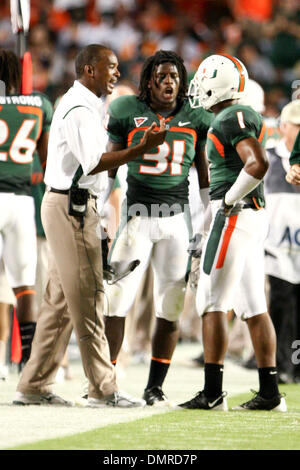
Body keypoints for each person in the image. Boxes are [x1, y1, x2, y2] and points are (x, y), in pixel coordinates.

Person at [14, 44, 166, 407]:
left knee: (60, 305)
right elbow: (96, 162)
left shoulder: (83, 103)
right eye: (109, 67)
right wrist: (139, 149)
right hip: (72, 207)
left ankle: (33, 384)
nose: (116, 72)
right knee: (91, 300)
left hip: (70, 205)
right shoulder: (81, 107)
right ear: (88, 71)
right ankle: (103, 387)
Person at [178, 53, 287, 412]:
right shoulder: (233, 116)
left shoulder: (229, 117)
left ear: (216, 83)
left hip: (237, 217)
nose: (197, 87)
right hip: (249, 218)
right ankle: (270, 393)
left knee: (212, 302)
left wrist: (227, 199)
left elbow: (258, 163)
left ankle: (212, 393)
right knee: (254, 307)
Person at [103, 50, 213, 406]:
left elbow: (203, 173)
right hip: (137, 216)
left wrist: (209, 215)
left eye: (175, 77)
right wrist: (103, 206)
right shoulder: (125, 111)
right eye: (162, 76)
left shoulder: (195, 117)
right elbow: (109, 165)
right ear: (149, 79)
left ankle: (155, 386)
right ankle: (107, 380)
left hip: (176, 220)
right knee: (117, 302)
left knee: (171, 306)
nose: (169, 83)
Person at [0, 49, 53, 371]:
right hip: (22, 200)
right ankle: (29, 363)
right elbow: (44, 158)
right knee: (25, 285)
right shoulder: (39, 104)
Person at [265, 100, 300, 384]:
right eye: (296, 125)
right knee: (280, 303)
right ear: (283, 126)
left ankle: (296, 365)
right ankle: (280, 364)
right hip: (276, 246)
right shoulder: (268, 157)